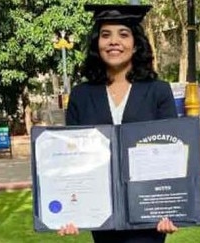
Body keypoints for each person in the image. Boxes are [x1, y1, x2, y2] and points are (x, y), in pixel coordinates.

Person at [58, 3, 178, 243]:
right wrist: (69, 211)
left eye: (123, 34)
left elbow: (171, 156)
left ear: (135, 45)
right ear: (97, 45)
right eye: (105, 35)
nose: (114, 41)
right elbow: (72, 159)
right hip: (101, 212)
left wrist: (173, 208)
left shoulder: (159, 92)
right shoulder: (81, 95)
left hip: (147, 213)